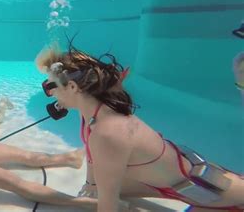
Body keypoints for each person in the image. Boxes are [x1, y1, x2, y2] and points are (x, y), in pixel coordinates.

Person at [35, 43, 244, 212]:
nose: (50, 93)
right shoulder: (92, 111)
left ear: (72, 87)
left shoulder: (107, 133)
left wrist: (95, 196)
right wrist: (90, 187)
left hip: (214, 193)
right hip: (184, 182)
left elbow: (108, 205)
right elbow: (92, 158)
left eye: (50, 86)